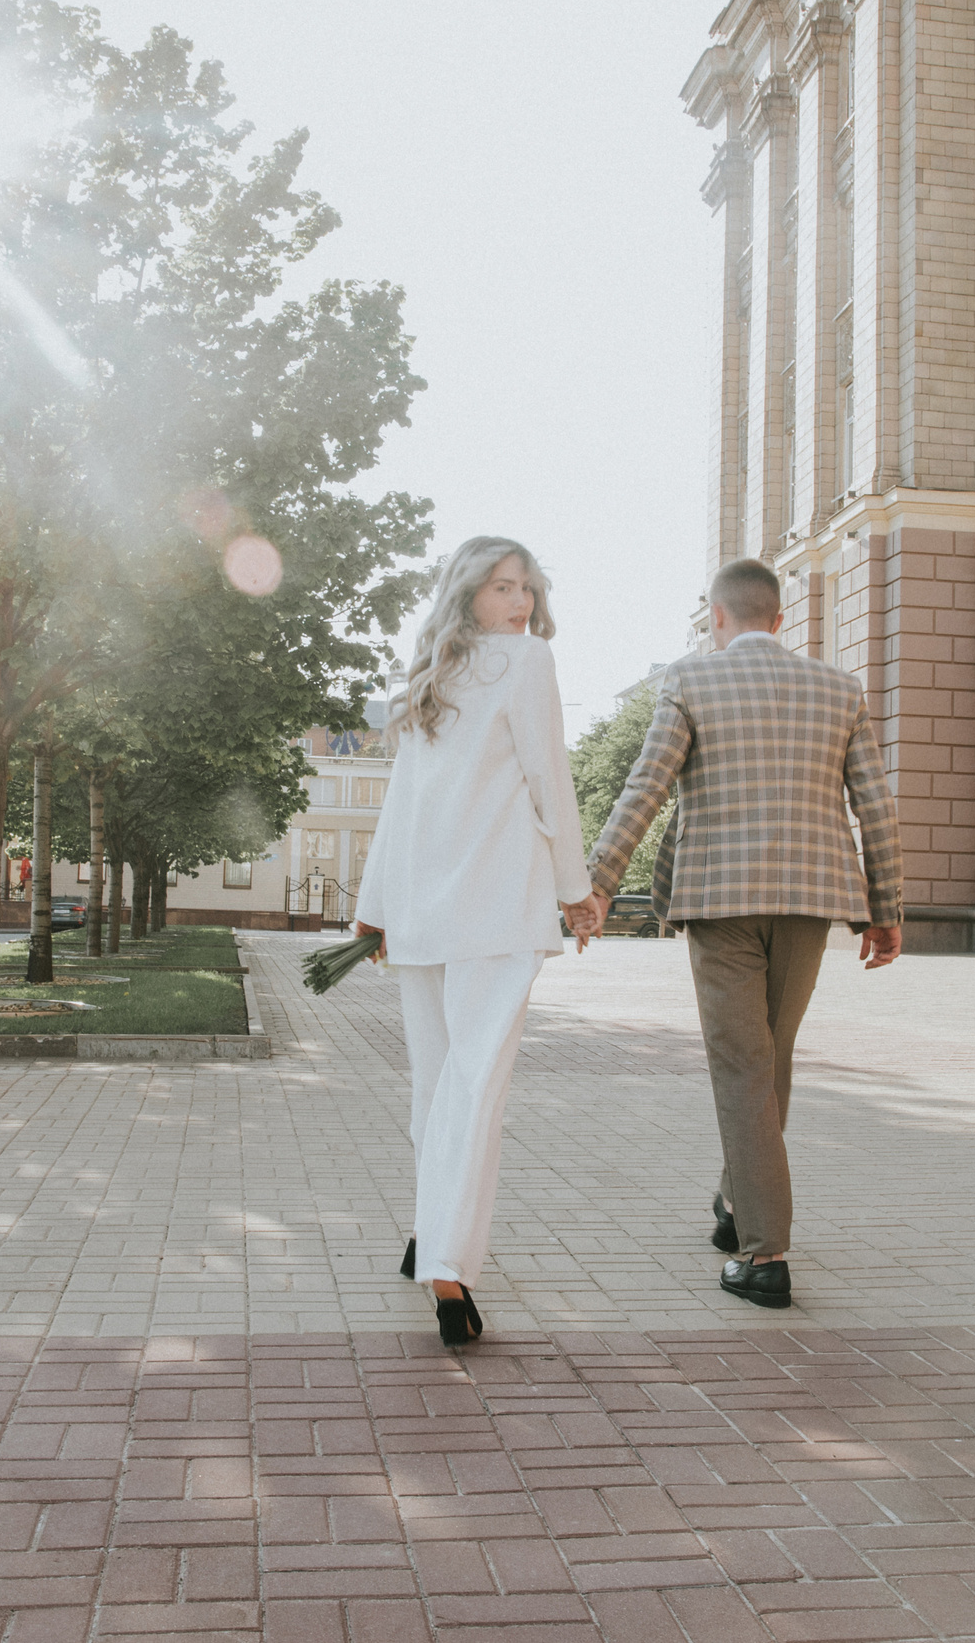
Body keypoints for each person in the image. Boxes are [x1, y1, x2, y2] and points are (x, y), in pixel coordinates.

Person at [584, 557, 902, 1310]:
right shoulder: (840, 689)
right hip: (810, 900)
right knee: (768, 1056)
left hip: (720, 898)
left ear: (716, 620)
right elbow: (876, 807)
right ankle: (736, 1207)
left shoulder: (692, 681)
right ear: (781, 619)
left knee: (742, 1066)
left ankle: (765, 1254)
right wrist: (886, 908)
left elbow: (645, 787)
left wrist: (596, 881)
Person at [353, 536, 597, 1348]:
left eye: (526, 586)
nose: (520, 603)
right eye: (501, 587)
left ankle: (430, 1234)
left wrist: (374, 904)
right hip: (493, 909)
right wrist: (576, 888)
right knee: (473, 1086)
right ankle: (449, 1267)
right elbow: (549, 778)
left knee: (437, 1086)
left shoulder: (431, 676)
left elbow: (401, 802)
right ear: (468, 595)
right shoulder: (526, 666)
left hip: (422, 912)